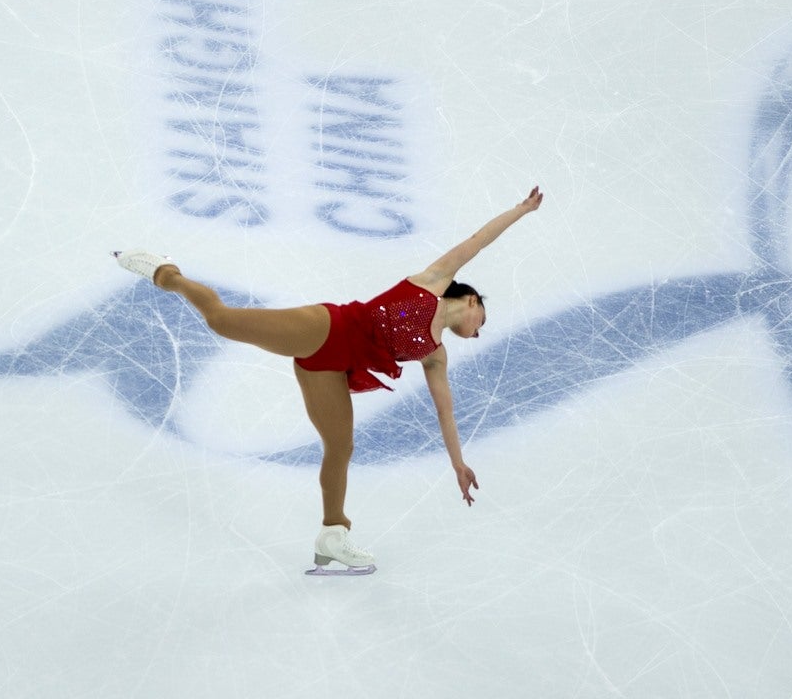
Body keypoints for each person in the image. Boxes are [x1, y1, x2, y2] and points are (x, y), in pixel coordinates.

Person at [115, 186, 544, 573]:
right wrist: (521, 210)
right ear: (469, 299)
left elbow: (445, 410)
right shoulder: (432, 282)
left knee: (340, 446)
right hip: (326, 328)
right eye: (480, 319)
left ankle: (332, 535)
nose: (479, 330)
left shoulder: (435, 355)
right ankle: (165, 273)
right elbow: (477, 241)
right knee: (222, 321)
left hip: (331, 369)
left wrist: (457, 463)